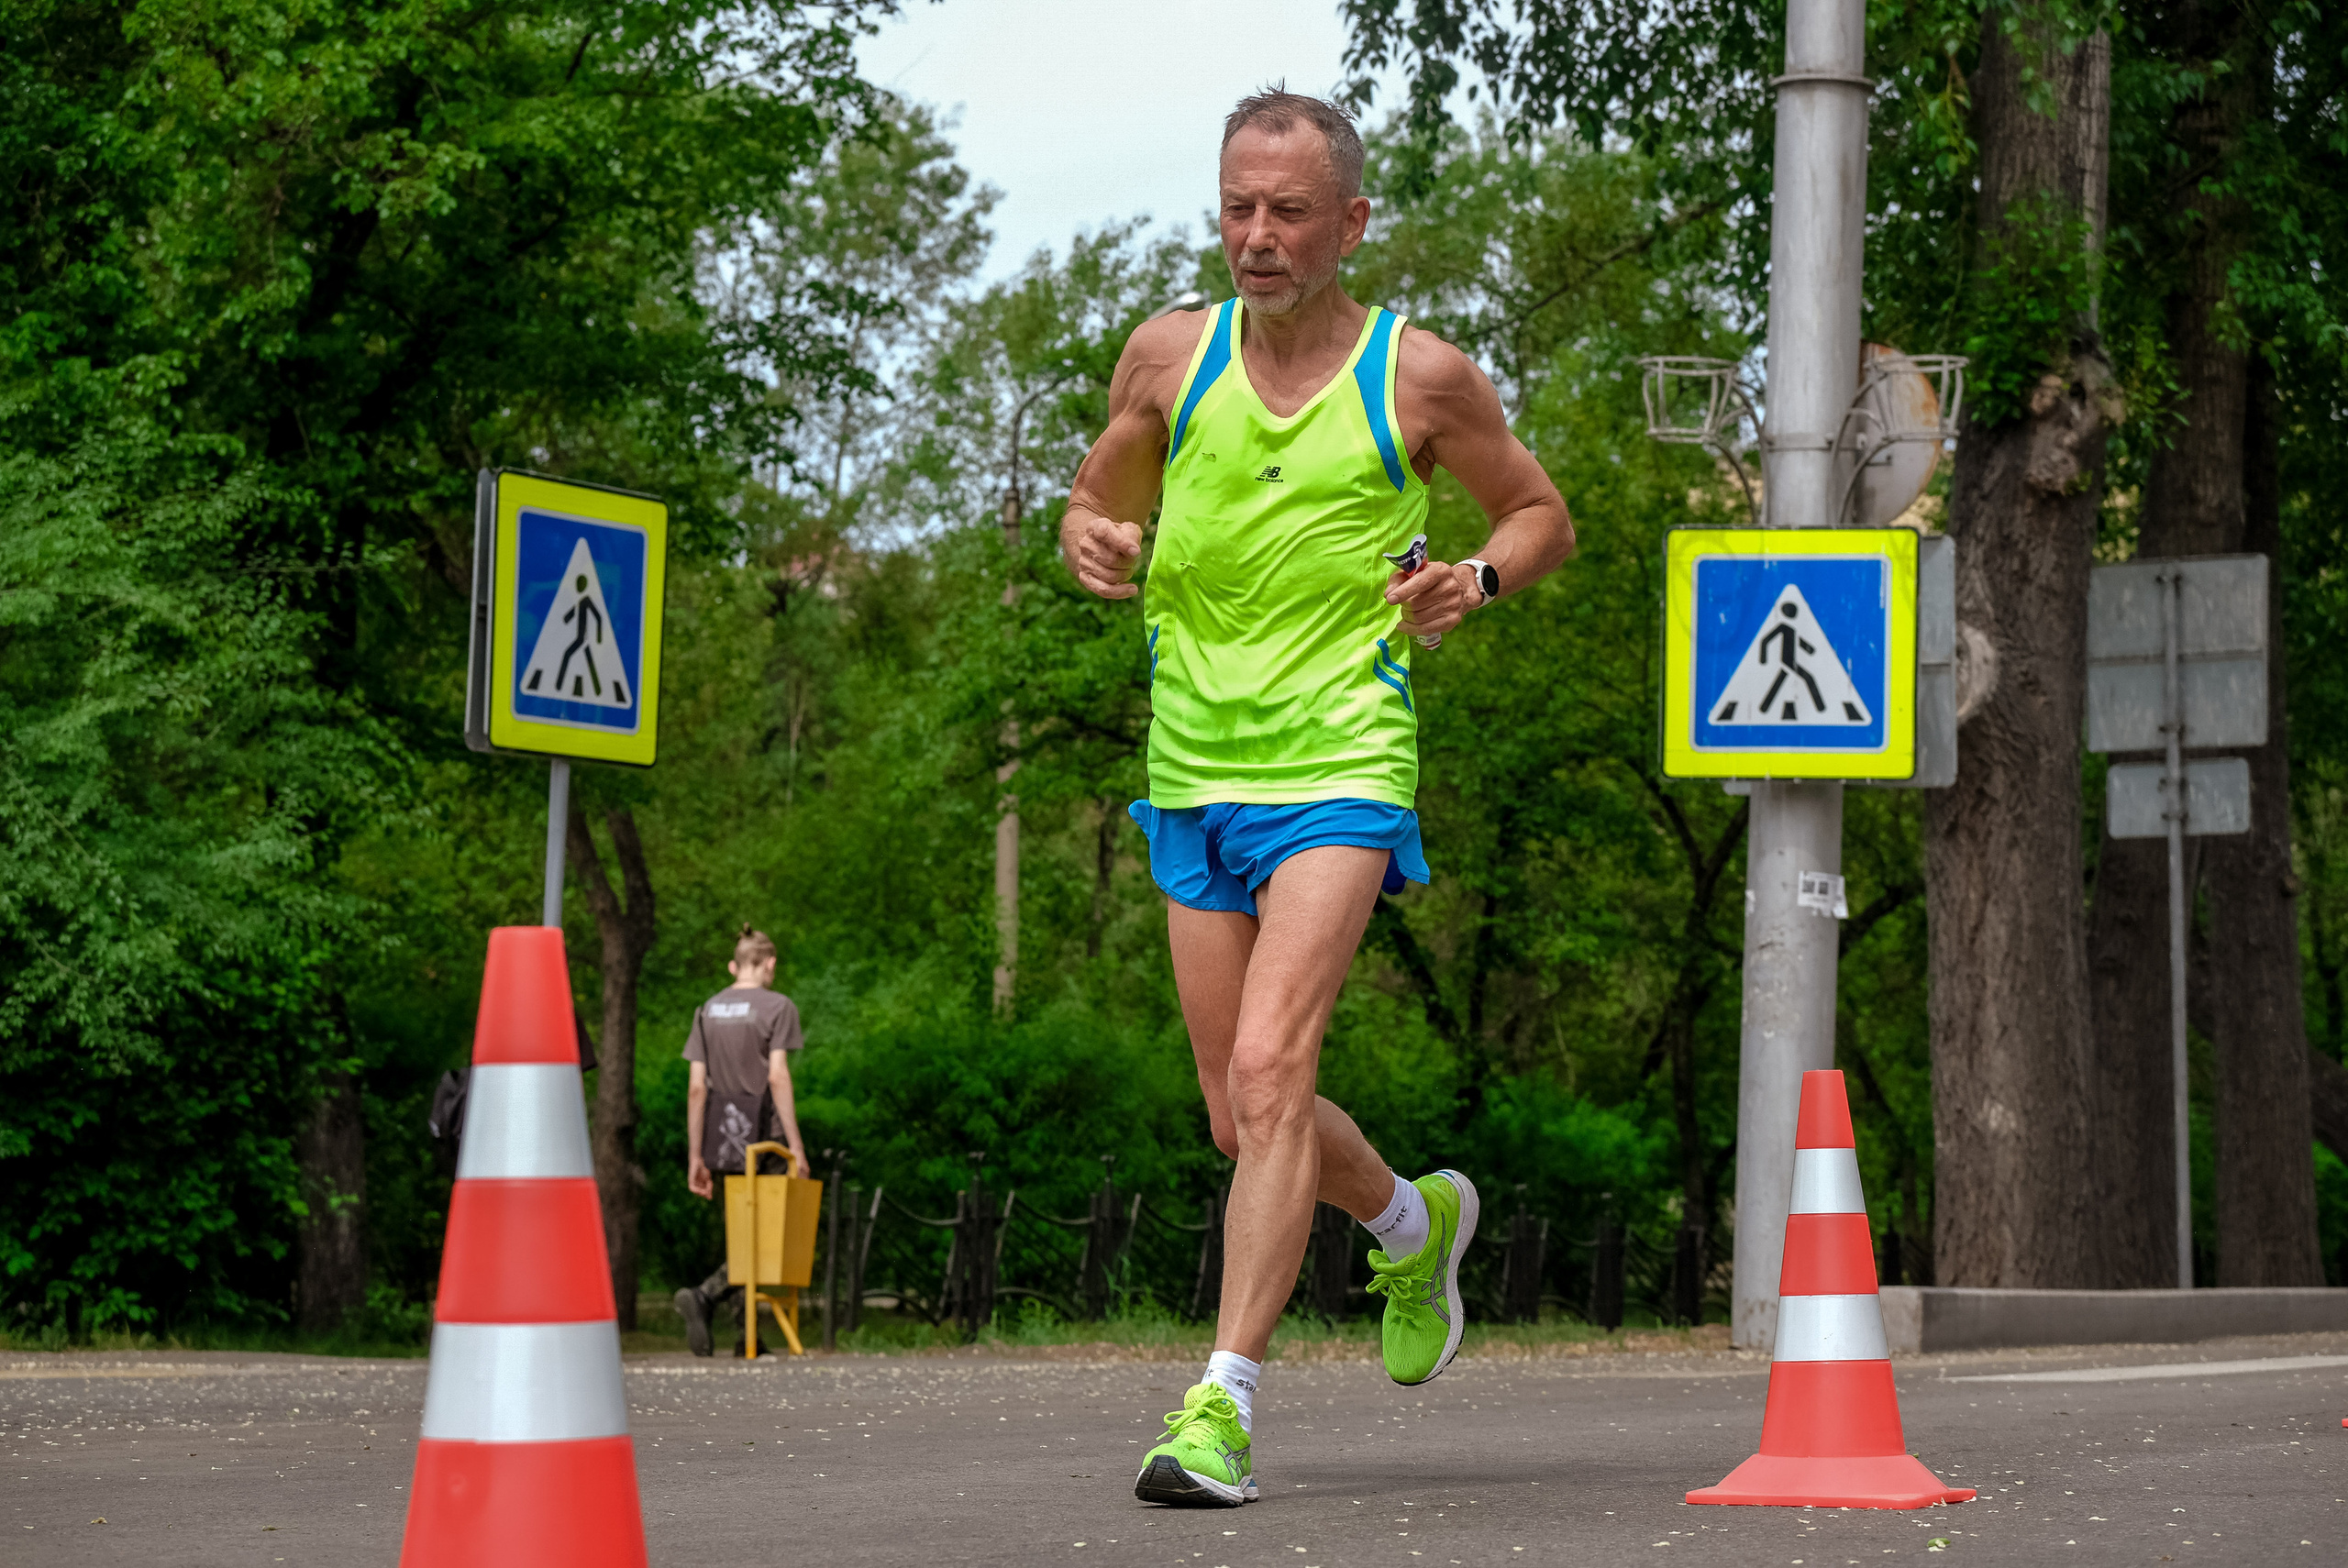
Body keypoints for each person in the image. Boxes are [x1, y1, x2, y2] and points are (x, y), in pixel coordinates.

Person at [1060, 89, 1577, 1507]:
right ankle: (1414, 1224)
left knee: (1280, 1072)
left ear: (1352, 221)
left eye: (1289, 211)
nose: (1257, 236)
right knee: (1240, 1114)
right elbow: (1097, 492)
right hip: (1190, 764)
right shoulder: (1169, 357)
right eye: (1237, 206)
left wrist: (1473, 577)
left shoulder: (1420, 378)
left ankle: (1218, 1406)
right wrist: (1089, 536)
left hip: (1342, 759)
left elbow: (1541, 515)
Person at [671, 924, 809, 1357]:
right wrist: (796, 1147)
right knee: (763, 1239)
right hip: (765, 1140)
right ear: (769, 963)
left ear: (735, 965)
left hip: (723, 1136)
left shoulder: (706, 1011)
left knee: (742, 1232)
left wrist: (696, 1155)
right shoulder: (778, 1007)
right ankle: (705, 1295)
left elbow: (697, 1088)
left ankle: (746, 1337)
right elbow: (777, 1076)